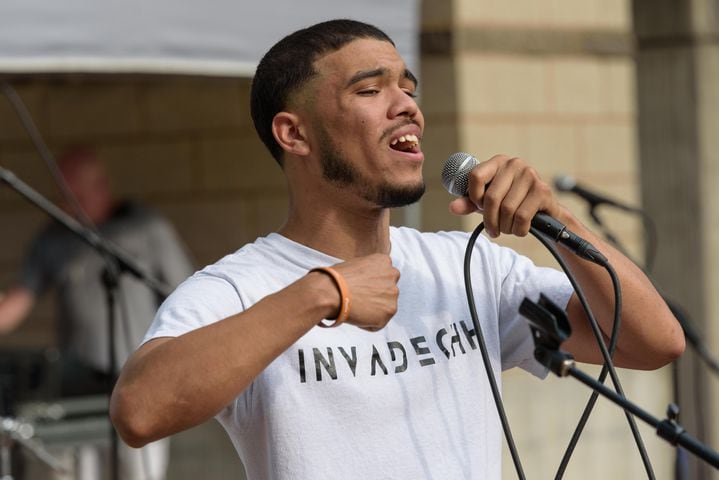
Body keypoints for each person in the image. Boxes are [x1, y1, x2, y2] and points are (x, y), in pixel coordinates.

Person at [110, 19, 685, 479]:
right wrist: (322, 291)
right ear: (295, 134)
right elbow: (139, 411)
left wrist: (558, 218)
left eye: (408, 87)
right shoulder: (238, 287)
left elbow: (653, 341)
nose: (407, 104)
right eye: (370, 89)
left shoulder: (468, 266)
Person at [0, 147, 195, 479]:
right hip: (79, 393)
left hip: (140, 381)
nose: (65, 205)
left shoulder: (146, 228)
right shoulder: (53, 239)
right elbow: (22, 297)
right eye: (61, 196)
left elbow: (188, 295)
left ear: (100, 186)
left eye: (75, 196)